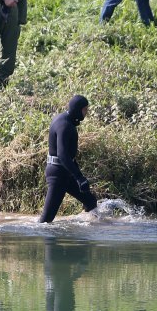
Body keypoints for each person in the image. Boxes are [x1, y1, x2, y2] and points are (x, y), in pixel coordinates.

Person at [38, 95, 98, 223]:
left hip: (65, 171)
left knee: (91, 201)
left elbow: (68, 156)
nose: (86, 113)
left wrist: (78, 175)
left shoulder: (65, 120)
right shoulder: (65, 125)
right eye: (85, 110)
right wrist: (79, 177)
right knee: (46, 220)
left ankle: (87, 230)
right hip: (57, 175)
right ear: (78, 109)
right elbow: (62, 155)